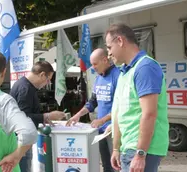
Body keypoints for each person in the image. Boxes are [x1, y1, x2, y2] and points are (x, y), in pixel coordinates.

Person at [105, 23, 169, 172]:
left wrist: (140, 154)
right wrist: (116, 148)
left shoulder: (145, 67)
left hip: (140, 149)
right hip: (129, 148)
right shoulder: (125, 71)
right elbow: (120, 112)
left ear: (120, 41)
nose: (108, 54)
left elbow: (149, 113)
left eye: (109, 47)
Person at [66, 48, 120, 172]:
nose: (93, 67)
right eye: (91, 64)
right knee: (106, 165)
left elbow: (121, 107)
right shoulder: (98, 78)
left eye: (95, 64)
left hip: (115, 129)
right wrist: (77, 115)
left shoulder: (118, 76)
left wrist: (102, 120)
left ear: (105, 60)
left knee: (117, 165)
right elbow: (92, 102)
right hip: (101, 131)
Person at [10, 61, 66, 172]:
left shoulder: (24, 85)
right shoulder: (25, 89)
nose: (47, 83)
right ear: (41, 75)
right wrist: (47, 116)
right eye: (48, 79)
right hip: (21, 140)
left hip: (20, 138)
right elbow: (23, 117)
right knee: (24, 168)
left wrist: (43, 118)